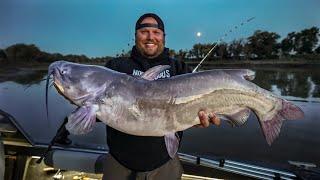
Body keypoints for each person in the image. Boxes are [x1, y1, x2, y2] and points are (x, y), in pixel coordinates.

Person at [102, 13, 220, 180]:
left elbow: (195, 108)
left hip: (165, 163)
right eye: (144, 31)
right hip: (119, 163)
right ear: (135, 35)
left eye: (156, 32)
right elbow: (97, 114)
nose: (150, 36)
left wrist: (197, 119)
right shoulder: (115, 67)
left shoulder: (179, 68)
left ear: (163, 37)